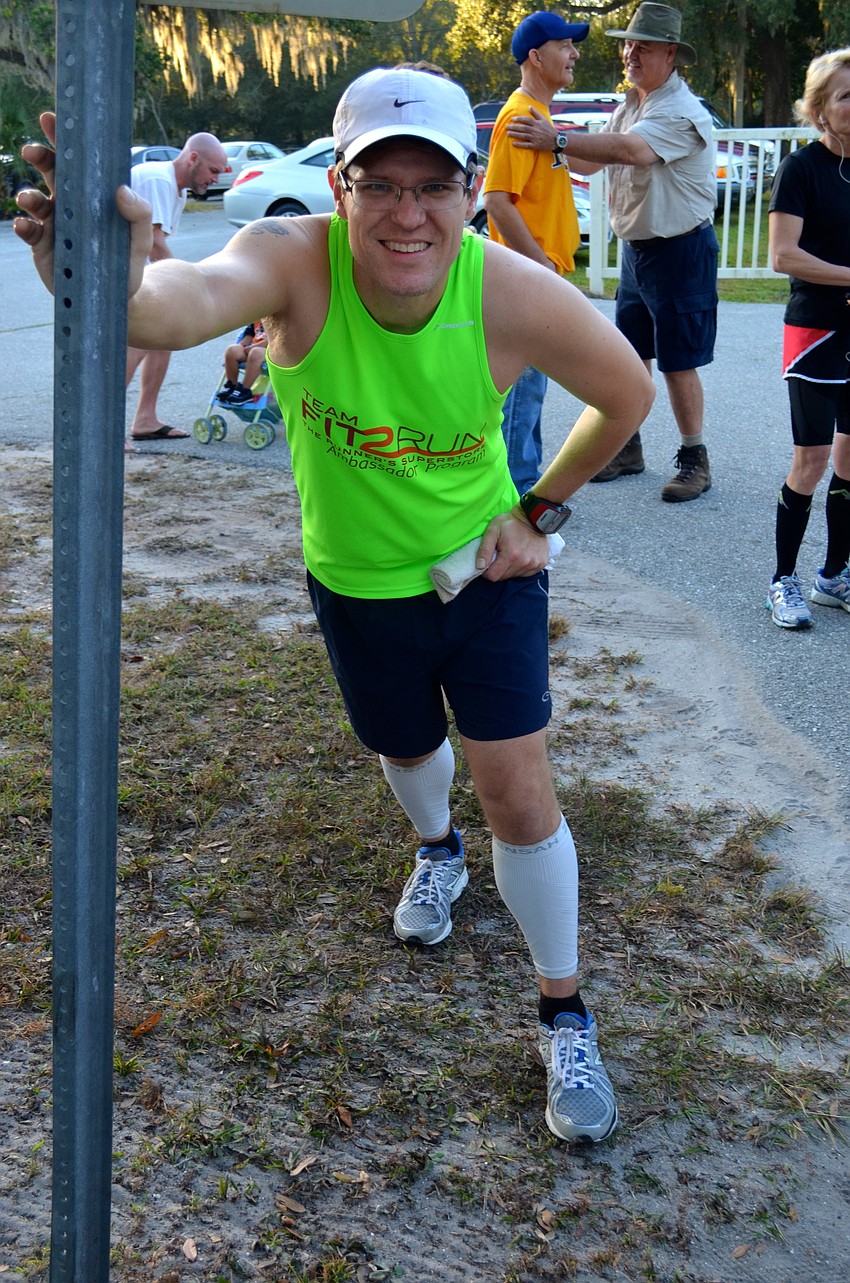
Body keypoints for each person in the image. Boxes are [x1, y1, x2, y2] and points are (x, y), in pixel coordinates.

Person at [16, 68, 654, 1143]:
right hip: (355, 583)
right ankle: (436, 852)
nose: (408, 213)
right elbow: (184, 302)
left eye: (434, 185)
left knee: (518, 785)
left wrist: (537, 513)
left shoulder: (502, 286)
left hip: (483, 581)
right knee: (405, 754)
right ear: (342, 189)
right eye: (379, 183)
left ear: (467, 191)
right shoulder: (292, 260)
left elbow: (627, 391)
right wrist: (120, 284)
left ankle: (563, 1006)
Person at [507, 3, 717, 502]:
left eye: (642, 46)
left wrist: (553, 137)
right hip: (639, 248)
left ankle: (695, 458)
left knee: (678, 360)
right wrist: (543, 146)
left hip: (680, 247)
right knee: (629, 353)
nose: (630, 53)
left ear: (670, 54)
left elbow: (630, 151)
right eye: (628, 43)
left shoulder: (679, 110)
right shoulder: (633, 104)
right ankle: (627, 446)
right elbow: (591, 160)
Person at [482, 11, 589, 497]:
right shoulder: (519, 116)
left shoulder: (540, 118)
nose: (574, 54)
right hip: (529, 281)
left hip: (539, 277)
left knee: (531, 392)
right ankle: (513, 501)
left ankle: (527, 490)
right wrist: (538, 267)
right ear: (535, 56)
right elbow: (496, 200)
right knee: (520, 393)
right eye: (565, 46)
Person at [765, 48, 850, 629]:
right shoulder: (802, 168)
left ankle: (832, 576)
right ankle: (783, 581)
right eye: (846, 95)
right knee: (812, 459)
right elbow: (782, 255)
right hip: (816, 328)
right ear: (821, 109)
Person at [126, 132, 228, 446]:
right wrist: (188, 283)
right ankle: (101, 426)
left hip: (134, 269)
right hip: (113, 270)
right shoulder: (160, 180)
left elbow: (156, 243)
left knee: (163, 335)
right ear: (192, 158)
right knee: (139, 340)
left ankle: (145, 418)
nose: (215, 179)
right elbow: (154, 242)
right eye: (213, 170)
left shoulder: (177, 189)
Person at [217, 320, 268, 405]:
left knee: (255, 353)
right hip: (253, 348)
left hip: (273, 350)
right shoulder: (257, 319)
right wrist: (242, 347)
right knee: (232, 350)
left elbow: (274, 340)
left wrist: (253, 347)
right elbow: (248, 337)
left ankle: (245, 390)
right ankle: (232, 386)